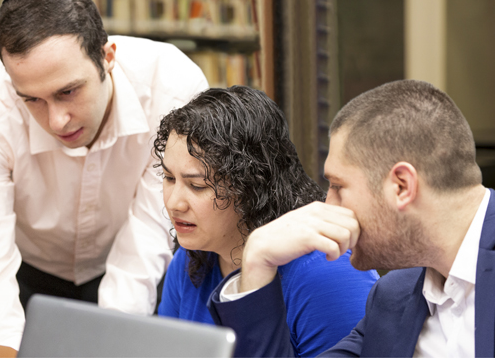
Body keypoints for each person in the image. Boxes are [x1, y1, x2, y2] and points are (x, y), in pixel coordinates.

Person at [0, 0, 209, 349]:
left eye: (68, 91)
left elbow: (150, 232)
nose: (56, 120)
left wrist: (106, 346)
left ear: (107, 58)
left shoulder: (170, 86)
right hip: (30, 271)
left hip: (131, 270)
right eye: (32, 100)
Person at [207, 79, 493, 357]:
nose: (327, 204)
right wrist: (257, 261)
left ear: (402, 186)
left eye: (338, 187)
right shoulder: (393, 298)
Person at [153, 85, 379, 356]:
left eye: (198, 186)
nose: (174, 202)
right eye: (168, 178)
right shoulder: (191, 258)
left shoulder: (327, 272)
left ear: (249, 186)